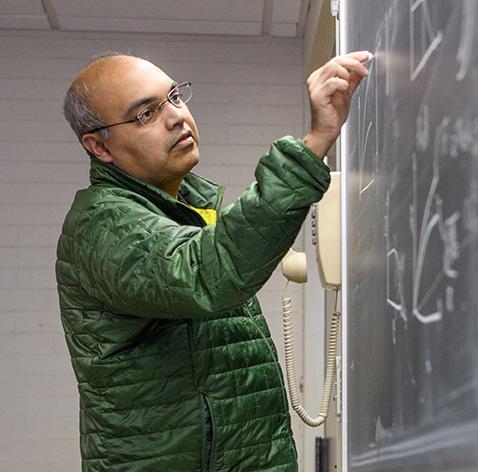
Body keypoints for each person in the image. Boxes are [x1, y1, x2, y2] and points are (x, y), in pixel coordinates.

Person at [56, 50, 370, 472]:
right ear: (99, 146)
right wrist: (313, 145)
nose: (176, 117)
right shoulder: (101, 223)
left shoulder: (187, 207)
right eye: (146, 114)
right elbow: (208, 270)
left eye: (174, 97)